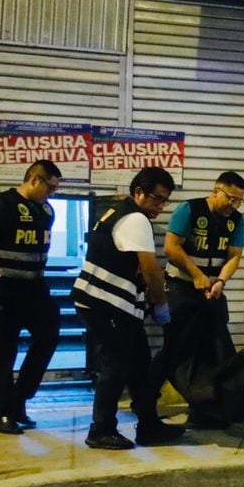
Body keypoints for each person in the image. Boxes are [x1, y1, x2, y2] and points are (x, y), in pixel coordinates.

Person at [70, 167, 189, 450]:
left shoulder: (118, 212)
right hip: (105, 305)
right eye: (157, 199)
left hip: (113, 305)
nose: (160, 206)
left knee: (139, 366)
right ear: (138, 193)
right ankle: (100, 430)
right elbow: (150, 269)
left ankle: (149, 426)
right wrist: (161, 305)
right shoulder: (136, 219)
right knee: (115, 366)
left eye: (165, 200)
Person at [0, 160, 62, 434]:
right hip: (5, 288)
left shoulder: (46, 210)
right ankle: (2, 413)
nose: (53, 194)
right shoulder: (3, 204)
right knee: (3, 353)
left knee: (49, 337)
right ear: (35, 179)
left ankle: (19, 398)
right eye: (51, 187)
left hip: (35, 287)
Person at [152, 172, 244, 388]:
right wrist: (196, 274)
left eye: (239, 200)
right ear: (216, 191)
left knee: (213, 348)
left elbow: (234, 255)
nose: (234, 205)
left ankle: (205, 404)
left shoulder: (237, 220)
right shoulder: (190, 209)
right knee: (176, 346)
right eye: (231, 198)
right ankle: (146, 398)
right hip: (180, 288)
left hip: (212, 291)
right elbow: (171, 248)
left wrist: (220, 281)